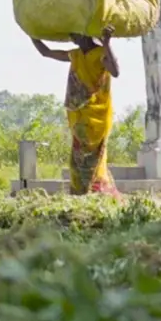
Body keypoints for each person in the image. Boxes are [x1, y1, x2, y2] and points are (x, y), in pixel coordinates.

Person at [31, 27, 122, 196]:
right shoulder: (76, 55)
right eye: (72, 35)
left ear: (87, 34)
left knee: (92, 158)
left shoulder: (101, 53)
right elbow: (46, 52)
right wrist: (31, 32)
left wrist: (107, 43)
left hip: (97, 117)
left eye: (76, 34)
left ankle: (97, 192)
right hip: (79, 116)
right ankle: (80, 194)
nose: (73, 38)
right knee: (77, 161)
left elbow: (115, 71)